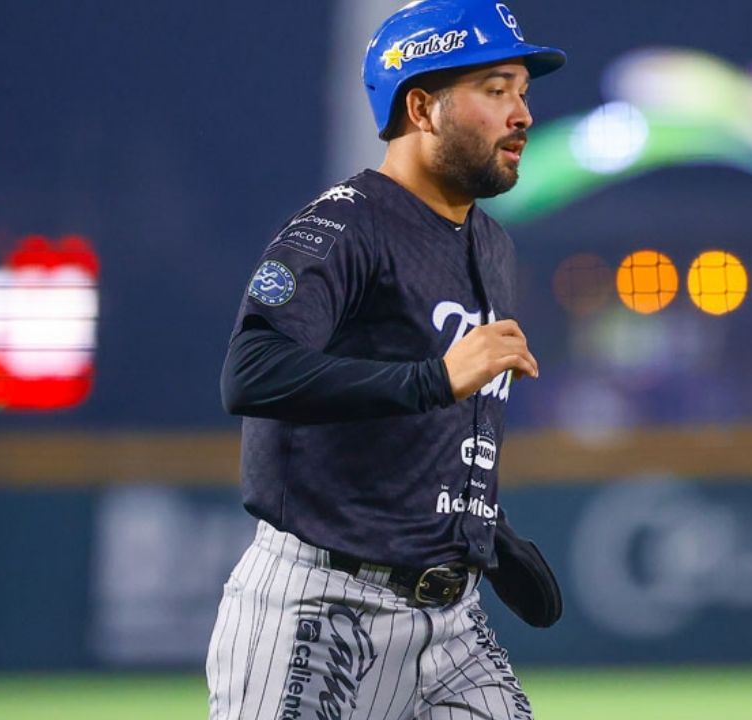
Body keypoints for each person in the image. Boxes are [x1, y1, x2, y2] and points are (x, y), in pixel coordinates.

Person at [205, 2, 566, 718]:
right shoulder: (342, 225)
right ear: (423, 107)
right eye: (496, 90)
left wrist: (487, 531)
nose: (521, 113)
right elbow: (251, 370)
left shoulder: (491, 245)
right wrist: (434, 378)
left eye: (523, 90)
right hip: (321, 606)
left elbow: (422, 432)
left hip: (452, 622)